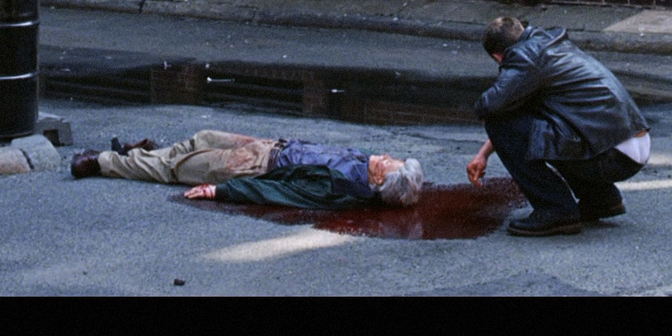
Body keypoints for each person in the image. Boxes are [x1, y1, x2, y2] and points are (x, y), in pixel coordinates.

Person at [469, 16, 651, 237]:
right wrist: (483, 154)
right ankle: (601, 200)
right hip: (629, 147)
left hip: (611, 157)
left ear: (498, 56)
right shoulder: (550, 45)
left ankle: (555, 211)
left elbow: (490, 106)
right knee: (546, 128)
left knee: (500, 123)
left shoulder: (525, 58)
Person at [70, 129, 425, 209]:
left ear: (380, 181)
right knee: (201, 138)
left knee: (174, 167)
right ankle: (144, 154)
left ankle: (102, 161)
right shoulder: (365, 164)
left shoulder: (341, 187)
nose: (383, 155)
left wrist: (222, 190)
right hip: (271, 146)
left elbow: (281, 192)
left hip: (256, 166)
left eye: (386, 162)